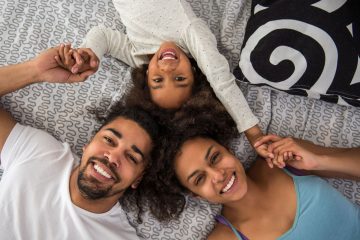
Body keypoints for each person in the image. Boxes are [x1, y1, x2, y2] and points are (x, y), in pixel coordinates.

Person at [56, 0, 271, 159]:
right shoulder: (190, 34)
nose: (167, 68)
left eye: (158, 80)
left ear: (147, 75)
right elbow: (220, 79)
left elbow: (102, 35)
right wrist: (253, 133)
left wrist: (89, 53)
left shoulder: (139, 57)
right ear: (196, 72)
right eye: (180, 78)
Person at [0, 47, 160, 239]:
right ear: (88, 144)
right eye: (109, 140)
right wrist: (36, 71)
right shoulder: (40, 152)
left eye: (132, 157)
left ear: (137, 178)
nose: (113, 157)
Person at [149, 101, 360, 239]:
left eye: (215, 157)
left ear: (229, 150)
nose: (218, 175)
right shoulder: (225, 237)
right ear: (195, 195)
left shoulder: (282, 158)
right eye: (199, 179)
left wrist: (319, 162)